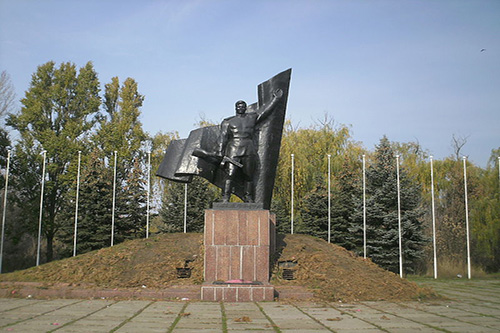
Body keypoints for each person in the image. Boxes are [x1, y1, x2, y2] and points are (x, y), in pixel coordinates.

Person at [218, 88, 283, 202]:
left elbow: (265, 112)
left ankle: (248, 196)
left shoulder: (251, 118)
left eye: (243, 106)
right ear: (236, 108)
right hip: (233, 149)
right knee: (230, 174)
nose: (241, 108)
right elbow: (223, 138)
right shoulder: (228, 121)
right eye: (239, 106)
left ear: (245, 108)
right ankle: (225, 197)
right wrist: (220, 152)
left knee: (248, 175)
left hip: (249, 148)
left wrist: (276, 100)